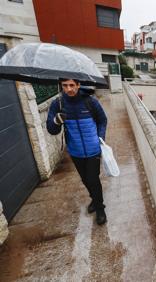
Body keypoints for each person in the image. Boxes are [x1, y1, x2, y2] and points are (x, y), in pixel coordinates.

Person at [46, 78, 108, 225]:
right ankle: (95, 199)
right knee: (85, 179)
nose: (69, 89)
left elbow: (102, 120)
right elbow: (51, 129)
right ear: (61, 86)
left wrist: (100, 138)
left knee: (93, 179)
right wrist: (56, 121)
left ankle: (100, 208)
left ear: (78, 85)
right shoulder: (58, 104)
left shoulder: (90, 102)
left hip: (93, 149)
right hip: (75, 151)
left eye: (72, 85)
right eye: (65, 86)